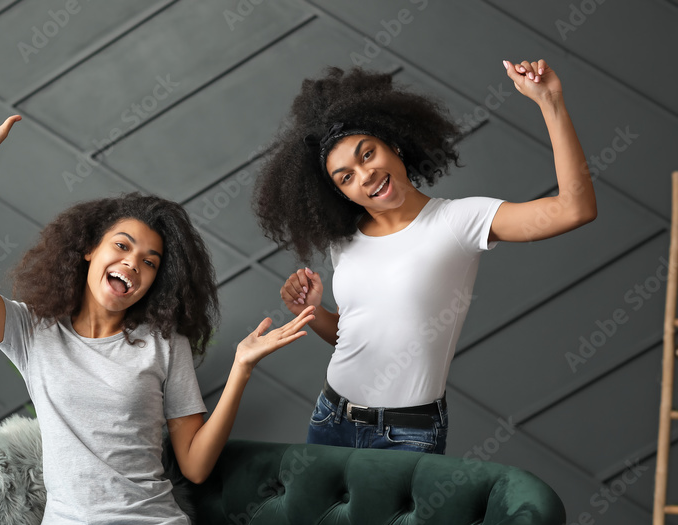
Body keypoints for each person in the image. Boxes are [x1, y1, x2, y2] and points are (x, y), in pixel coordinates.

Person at [0, 84, 315, 525]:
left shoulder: (163, 345)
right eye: (123, 246)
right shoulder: (34, 334)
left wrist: (238, 370)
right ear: (88, 251)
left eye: (150, 261)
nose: (133, 263)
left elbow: (194, 464)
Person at [253, 60, 596, 454]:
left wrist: (550, 102)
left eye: (367, 154)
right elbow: (357, 339)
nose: (364, 175)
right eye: (345, 177)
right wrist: (314, 312)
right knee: (314, 520)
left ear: (393, 143)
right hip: (331, 416)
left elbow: (575, 209)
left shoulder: (459, 220)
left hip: (407, 433)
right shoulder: (344, 242)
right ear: (341, 194)